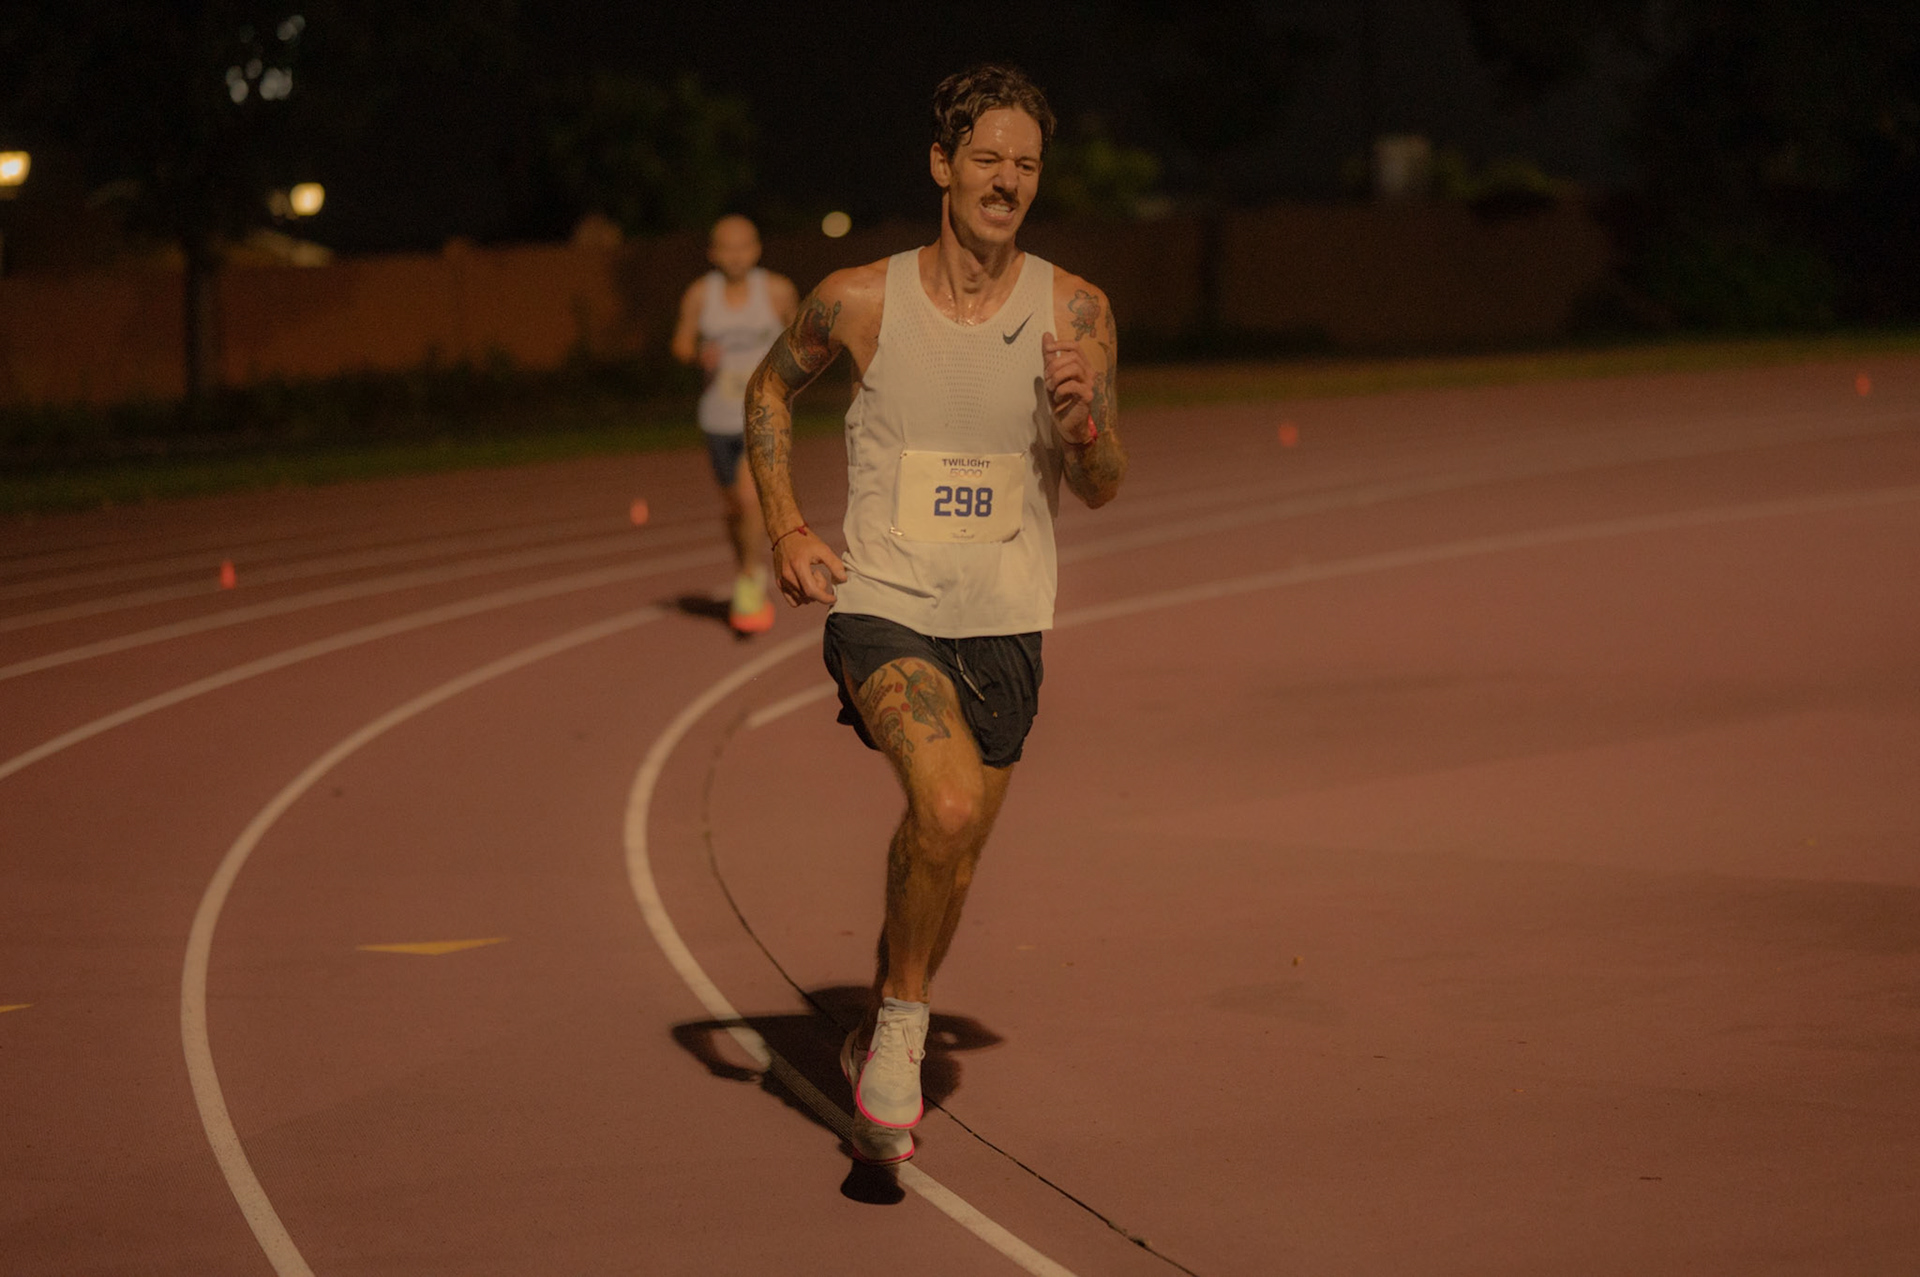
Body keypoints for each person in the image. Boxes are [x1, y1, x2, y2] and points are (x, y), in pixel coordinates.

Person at [742, 65, 1126, 1164]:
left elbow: (1104, 483)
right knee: (947, 804)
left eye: (1027, 164)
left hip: (1006, 617)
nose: (1008, 180)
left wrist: (1084, 424)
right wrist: (787, 527)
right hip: (885, 605)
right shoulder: (860, 299)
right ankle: (904, 1032)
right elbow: (768, 389)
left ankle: (878, 1021)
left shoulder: (1078, 310)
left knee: (950, 854)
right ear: (942, 165)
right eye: (988, 158)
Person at [671, 214, 799, 633]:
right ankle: (747, 565)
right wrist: (698, 354)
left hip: (762, 416)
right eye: (727, 248)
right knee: (734, 507)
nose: (736, 255)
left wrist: (785, 382)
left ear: (757, 249)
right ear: (713, 253)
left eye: (743, 246)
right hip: (717, 417)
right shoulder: (699, 294)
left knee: (748, 498)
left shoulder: (777, 291)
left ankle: (748, 576)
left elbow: (800, 343)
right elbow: (680, 343)